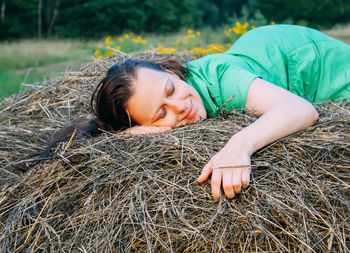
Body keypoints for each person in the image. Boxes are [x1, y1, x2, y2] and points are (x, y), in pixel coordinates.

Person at [40, 24, 350, 201]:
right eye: (161, 114)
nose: (181, 107)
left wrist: (238, 146)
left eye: (170, 91)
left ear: (171, 73)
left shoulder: (222, 78)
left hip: (324, 65)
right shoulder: (180, 99)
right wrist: (136, 132)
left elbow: (300, 110)